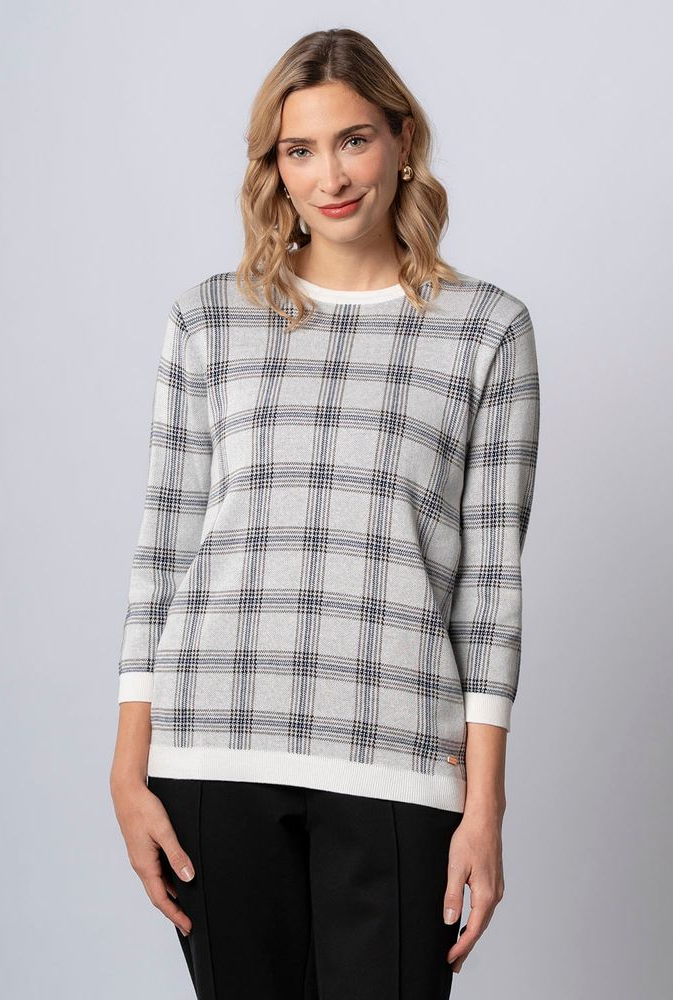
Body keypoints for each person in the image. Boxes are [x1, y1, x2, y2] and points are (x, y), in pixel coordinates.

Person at [109, 27, 541, 1000]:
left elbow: (491, 591)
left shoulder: (486, 331)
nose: (330, 177)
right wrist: (128, 770)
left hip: (400, 757)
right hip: (213, 749)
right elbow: (163, 549)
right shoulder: (208, 320)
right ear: (274, 165)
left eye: (353, 140)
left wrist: (484, 807)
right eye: (298, 150)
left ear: (401, 139)